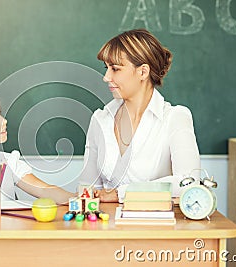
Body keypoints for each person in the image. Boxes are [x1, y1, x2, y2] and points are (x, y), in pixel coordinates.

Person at [79, 28, 200, 202]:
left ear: (143, 72)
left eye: (115, 69)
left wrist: (119, 194)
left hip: (158, 226)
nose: (106, 77)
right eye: (107, 68)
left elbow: (188, 183)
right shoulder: (100, 119)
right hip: (108, 226)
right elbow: (88, 189)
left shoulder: (175, 118)